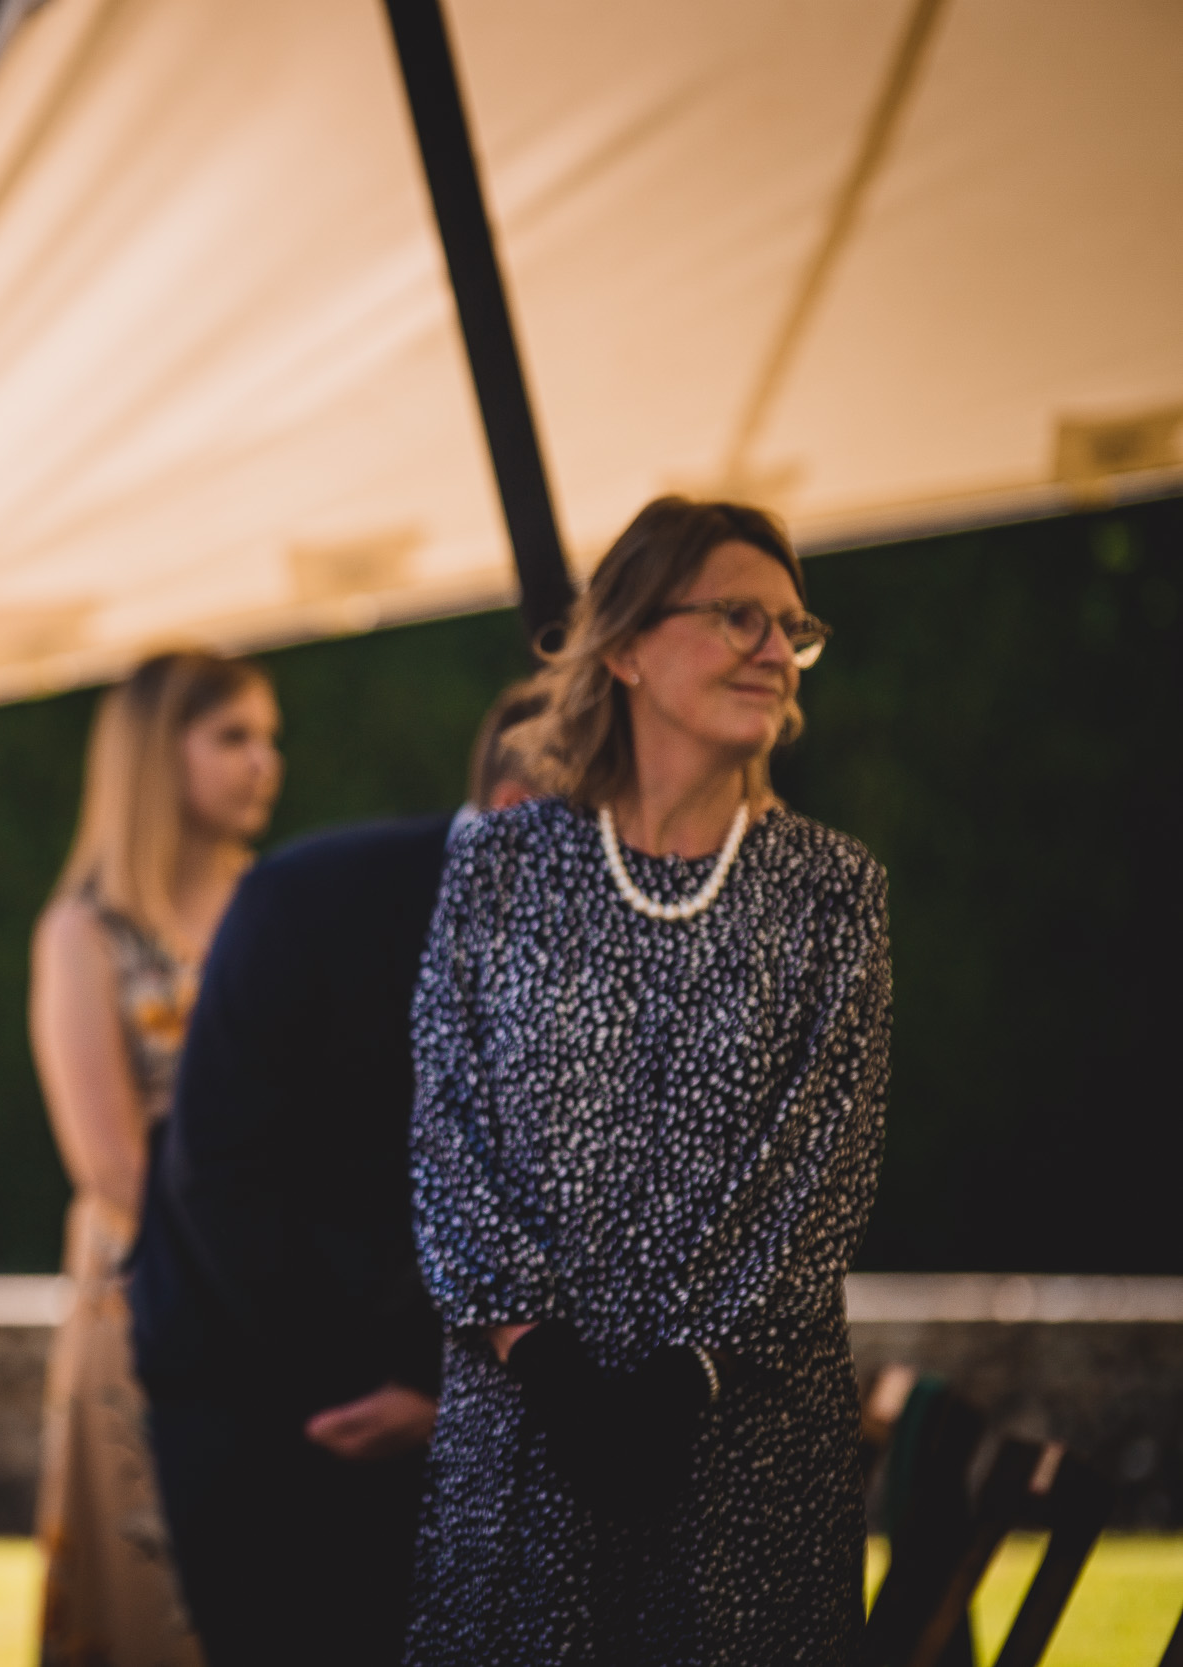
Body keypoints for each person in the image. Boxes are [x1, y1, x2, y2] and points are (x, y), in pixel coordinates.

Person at [406, 496, 892, 1664]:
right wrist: (552, 1366)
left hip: (749, 1455)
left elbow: (823, 1175)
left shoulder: (833, 892)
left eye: (790, 626)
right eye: (737, 615)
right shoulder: (497, 864)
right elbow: (446, 1134)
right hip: (525, 1439)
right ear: (622, 646)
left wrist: (687, 1373)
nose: (775, 650)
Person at [128, 681, 550, 1664]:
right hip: (266, 1387)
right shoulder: (311, 898)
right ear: (518, 805)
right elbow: (225, 1169)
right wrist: (392, 1381)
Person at [29, 651, 281, 1667]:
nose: (264, 762)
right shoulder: (85, 931)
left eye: (270, 737)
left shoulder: (279, 902)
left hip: (282, 1288)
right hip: (151, 1290)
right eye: (232, 736)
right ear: (150, 754)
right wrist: (248, 1269)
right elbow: (109, 1163)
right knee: (152, 1596)